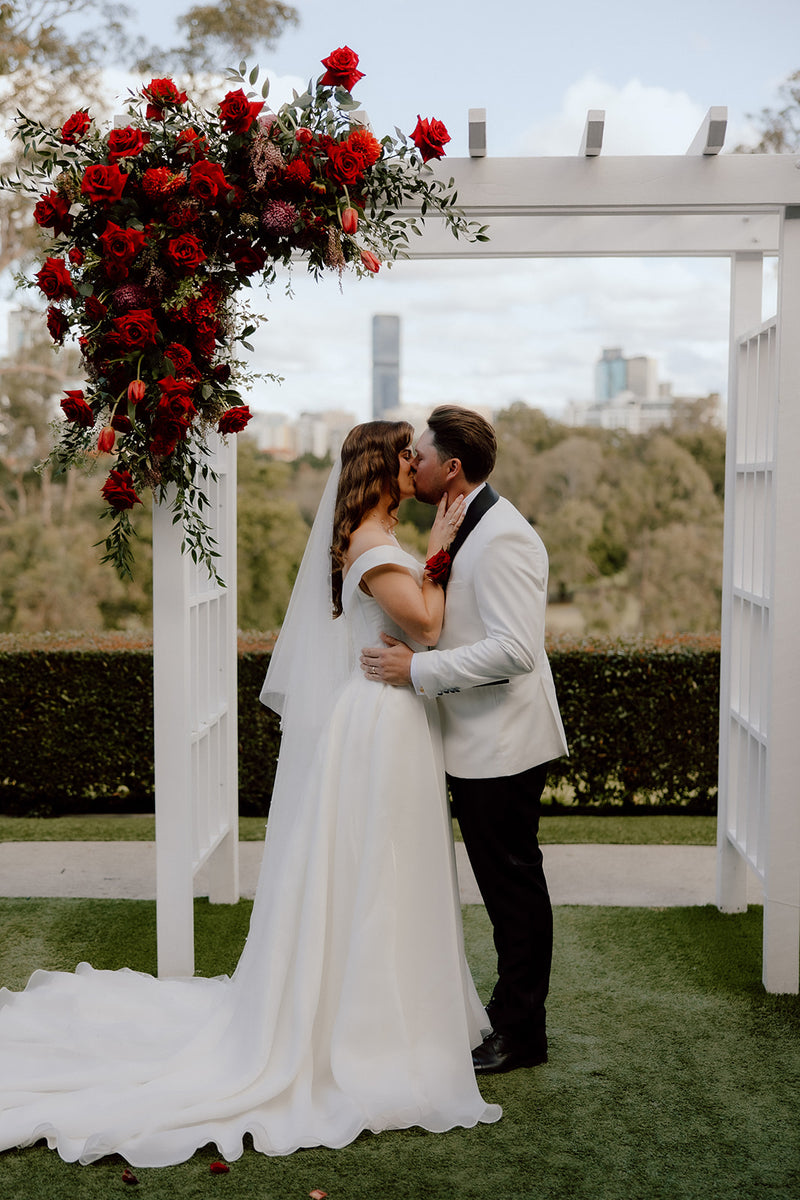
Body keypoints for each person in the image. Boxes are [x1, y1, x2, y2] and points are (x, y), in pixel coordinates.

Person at [0, 420, 500, 1168]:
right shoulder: (369, 541)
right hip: (379, 720)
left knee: (392, 868)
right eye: (404, 455)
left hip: (392, 716)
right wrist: (449, 545)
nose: (414, 466)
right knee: (378, 869)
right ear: (378, 465)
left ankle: (401, 1012)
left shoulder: (373, 533)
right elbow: (426, 625)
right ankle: (369, 1030)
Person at [360, 406, 568, 1075]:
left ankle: (520, 1033)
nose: (410, 464)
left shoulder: (503, 536)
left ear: (450, 469)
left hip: (502, 745)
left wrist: (417, 669)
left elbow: (515, 651)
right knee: (505, 889)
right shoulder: (462, 523)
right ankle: (512, 1021)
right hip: (475, 740)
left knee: (513, 892)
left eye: (417, 456)